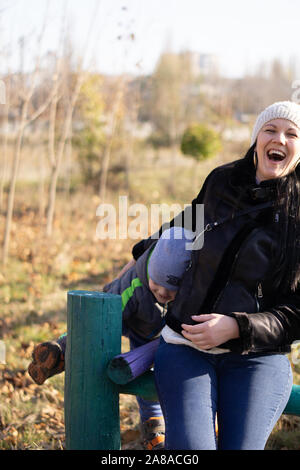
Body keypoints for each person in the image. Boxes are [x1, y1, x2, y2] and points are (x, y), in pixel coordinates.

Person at [129, 101, 300, 450]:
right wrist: (144, 258)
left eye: (291, 133)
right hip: (185, 348)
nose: (279, 137)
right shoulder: (223, 180)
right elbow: (187, 222)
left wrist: (238, 326)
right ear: (257, 138)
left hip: (257, 358)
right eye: (270, 129)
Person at [27, 226, 193, 450]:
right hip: (130, 319)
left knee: (160, 369)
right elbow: (105, 313)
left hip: (165, 333)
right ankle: (60, 350)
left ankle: (158, 423)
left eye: (171, 288)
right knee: (93, 335)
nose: (163, 293)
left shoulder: (192, 290)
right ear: (149, 271)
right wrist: (81, 337)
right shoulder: (134, 283)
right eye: (157, 284)